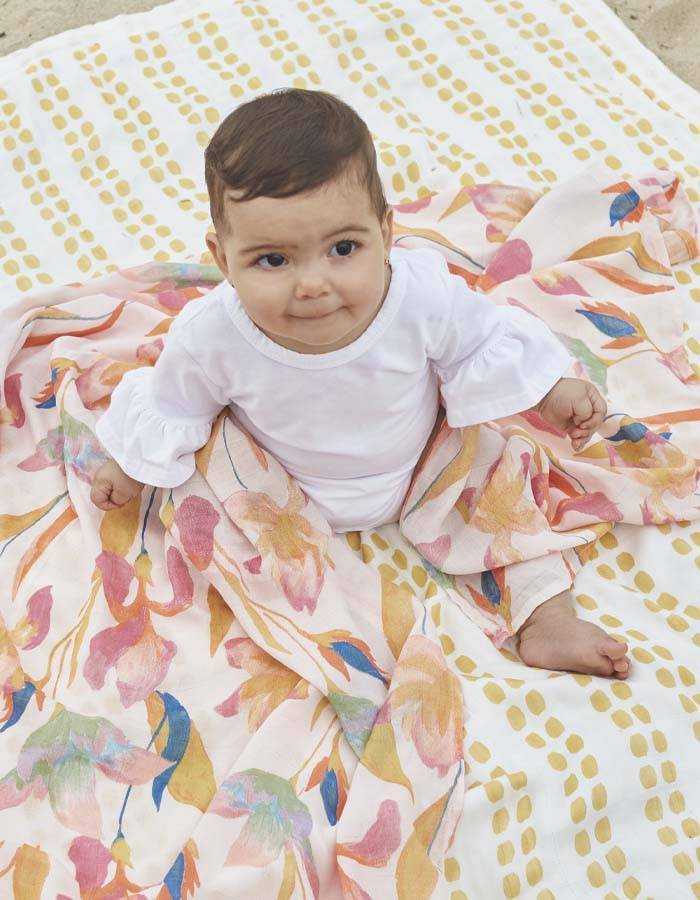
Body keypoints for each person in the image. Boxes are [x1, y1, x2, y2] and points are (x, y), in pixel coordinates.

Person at [90, 88, 629, 679]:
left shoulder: (419, 297)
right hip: (282, 489)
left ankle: (546, 617)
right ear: (223, 259)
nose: (312, 284)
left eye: (343, 248)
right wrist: (132, 465)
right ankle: (294, 638)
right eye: (273, 260)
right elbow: (175, 405)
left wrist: (551, 393)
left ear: (386, 232)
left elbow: (481, 342)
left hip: (423, 464)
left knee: (503, 483)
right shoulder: (211, 337)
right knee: (204, 510)